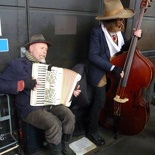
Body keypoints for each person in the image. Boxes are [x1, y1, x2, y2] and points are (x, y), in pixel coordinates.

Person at [0, 34, 81, 155]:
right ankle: (56, 152)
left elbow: (56, 89)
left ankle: (64, 146)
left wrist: (70, 92)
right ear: (31, 48)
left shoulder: (47, 67)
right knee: (53, 123)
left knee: (69, 116)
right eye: (42, 48)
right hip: (29, 108)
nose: (45, 52)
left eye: (46, 50)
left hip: (48, 103)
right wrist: (22, 84)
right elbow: (1, 84)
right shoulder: (17, 64)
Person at [87, 0, 142, 146]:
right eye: (119, 18)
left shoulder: (120, 32)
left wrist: (134, 39)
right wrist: (113, 68)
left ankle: (106, 121)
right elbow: (93, 56)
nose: (122, 21)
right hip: (101, 71)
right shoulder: (97, 32)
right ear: (111, 20)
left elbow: (123, 48)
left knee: (111, 99)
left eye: (122, 18)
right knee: (99, 102)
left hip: (115, 70)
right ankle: (92, 131)